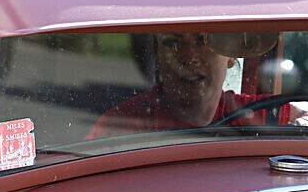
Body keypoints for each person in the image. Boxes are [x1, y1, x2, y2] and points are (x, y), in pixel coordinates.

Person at [87, 32, 293, 138]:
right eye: (172, 42)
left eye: (204, 41)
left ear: (231, 55)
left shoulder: (266, 115)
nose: (188, 57)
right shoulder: (123, 124)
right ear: (157, 55)